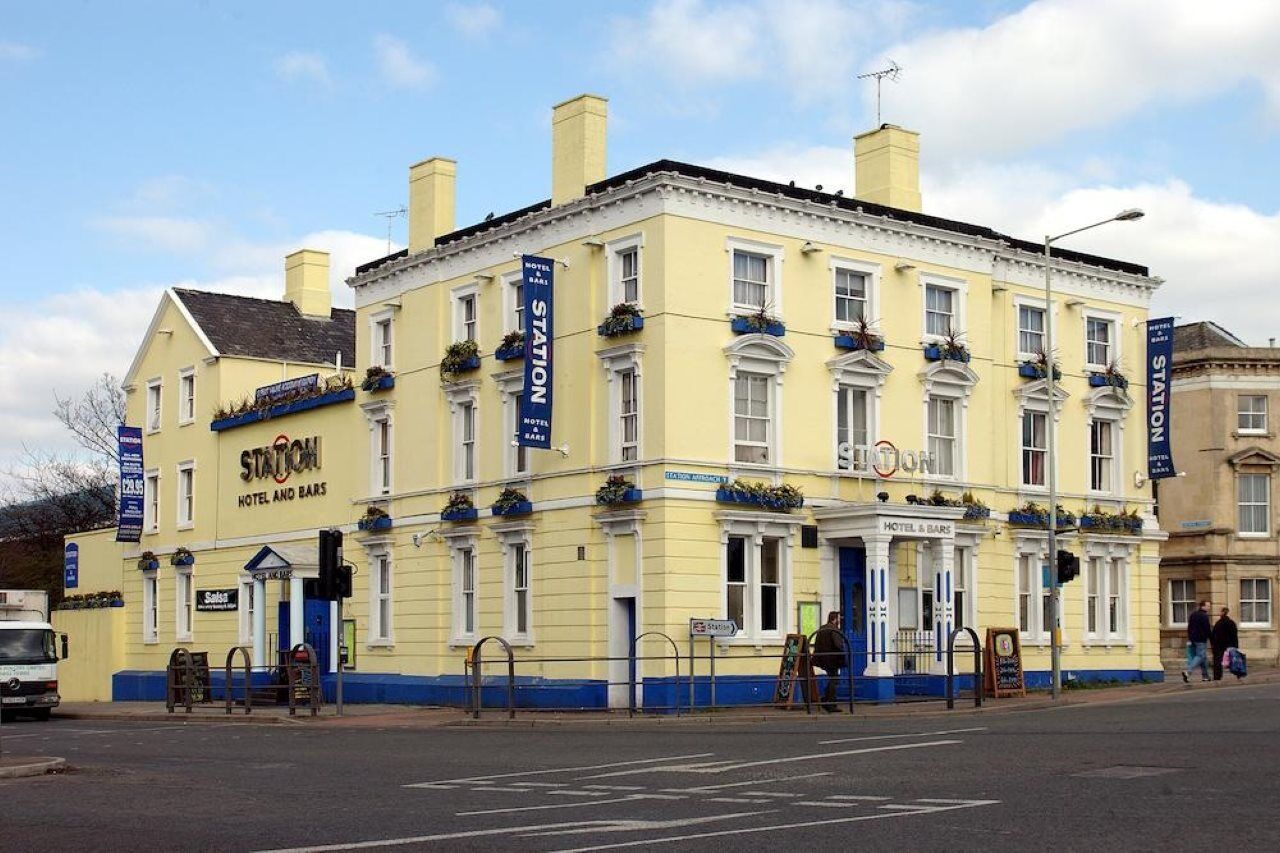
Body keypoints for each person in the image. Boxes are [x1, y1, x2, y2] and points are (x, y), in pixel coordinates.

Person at [813, 611, 849, 712]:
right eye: (838, 618)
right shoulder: (834, 629)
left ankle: (826, 700)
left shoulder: (822, 628)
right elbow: (838, 645)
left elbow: (817, 643)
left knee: (832, 679)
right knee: (834, 680)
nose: (839, 620)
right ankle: (830, 703)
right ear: (835, 619)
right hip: (832, 659)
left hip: (823, 659)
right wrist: (843, 655)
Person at [1182, 599, 1212, 683]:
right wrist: (1211, 638)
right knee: (1200, 656)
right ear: (1203, 606)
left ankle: (1205, 676)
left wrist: (1190, 638)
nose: (1209, 608)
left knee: (1203, 658)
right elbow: (1207, 629)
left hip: (1193, 639)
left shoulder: (1193, 614)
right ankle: (1188, 671)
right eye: (1208, 606)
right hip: (1201, 639)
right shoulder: (1204, 616)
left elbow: (1189, 627)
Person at [1210, 606, 1239, 682]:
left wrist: (1213, 644)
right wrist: (1235, 645)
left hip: (1218, 645)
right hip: (1229, 645)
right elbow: (1234, 635)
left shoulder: (1218, 623)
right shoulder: (1231, 623)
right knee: (1233, 660)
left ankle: (1217, 676)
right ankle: (1239, 674)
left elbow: (1213, 635)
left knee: (1217, 661)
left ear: (1222, 613)